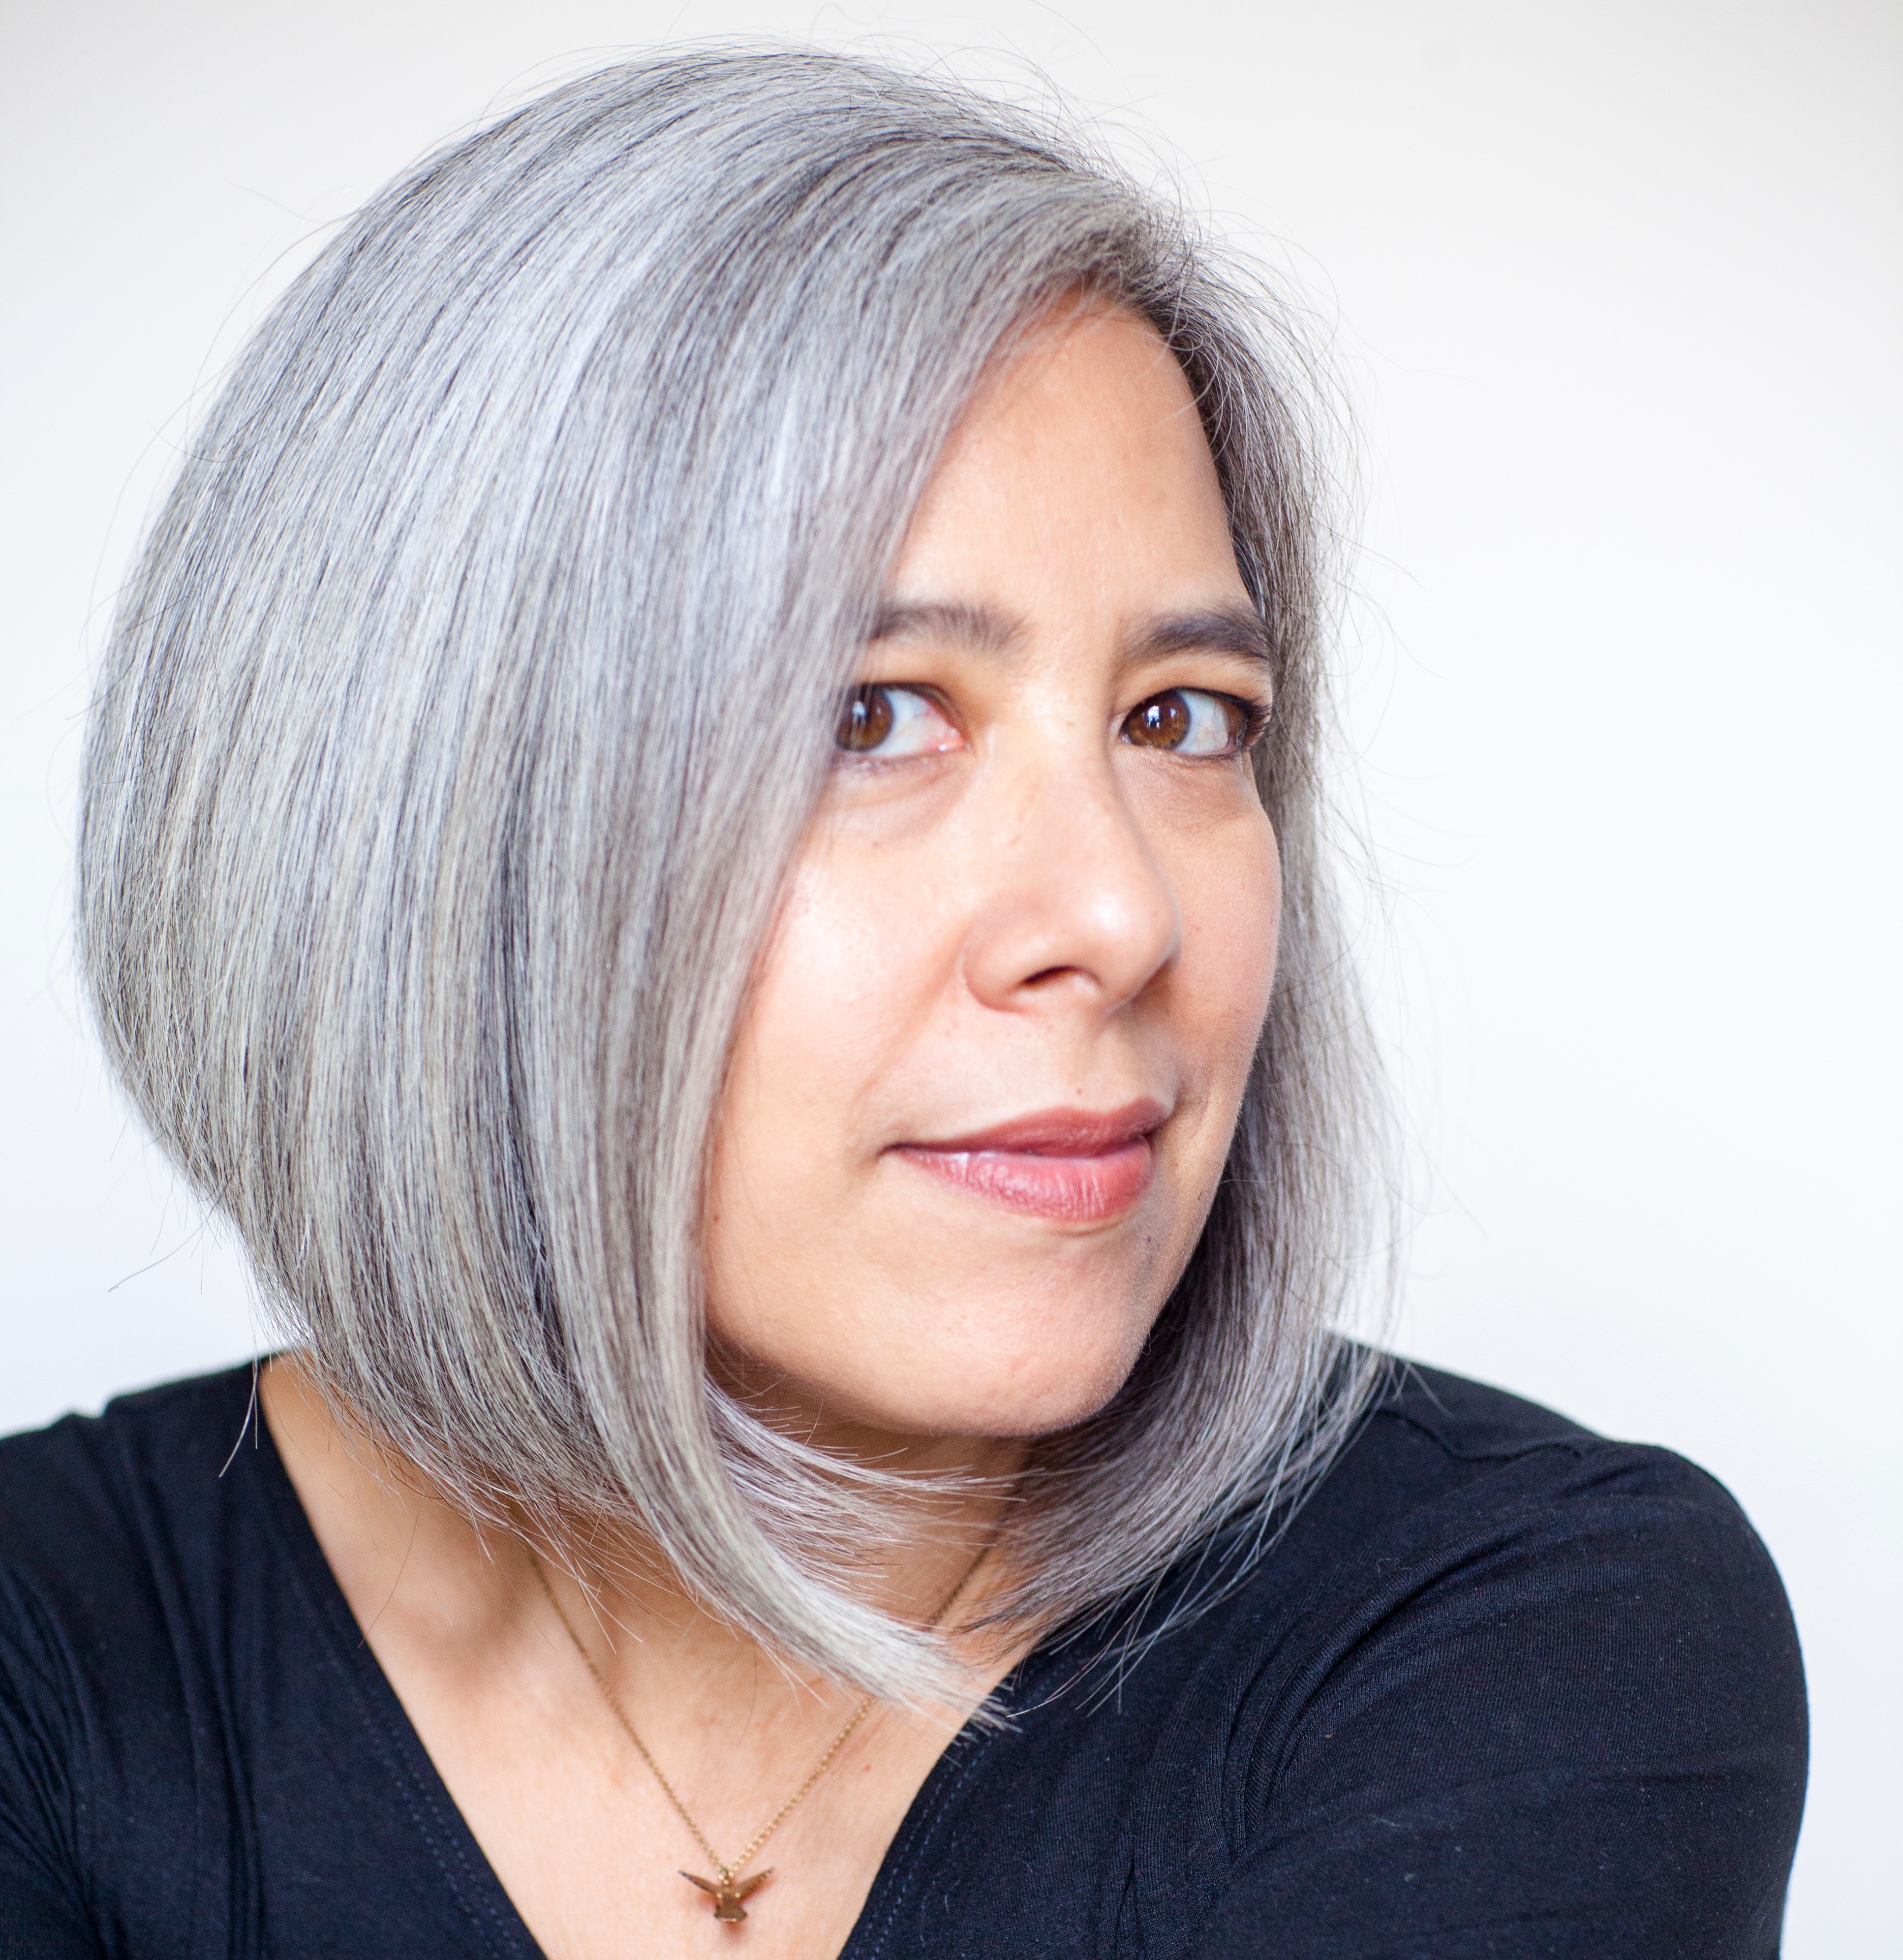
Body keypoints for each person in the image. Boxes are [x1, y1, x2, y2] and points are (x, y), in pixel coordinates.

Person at [0, 46, 1804, 1960]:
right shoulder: (53, 1651)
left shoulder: (1529, 1629)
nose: (1118, 915)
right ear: (421, 829)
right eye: (869, 716)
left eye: (1183, 720)